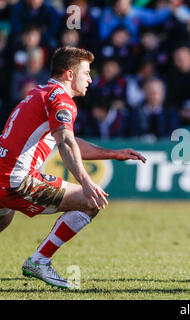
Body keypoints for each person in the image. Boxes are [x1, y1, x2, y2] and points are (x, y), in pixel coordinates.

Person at [0, 46, 146, 289]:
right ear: (69, 74)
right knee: (90, 203)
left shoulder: (41, 92)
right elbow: (66, 142)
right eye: (86, 72)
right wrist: (87, 183)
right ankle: (39, 261)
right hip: (18, 180)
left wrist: (113, 154)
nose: (90, 79)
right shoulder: (61, 100)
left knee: (3, 221)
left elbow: (68, 141)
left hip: (3, 176)